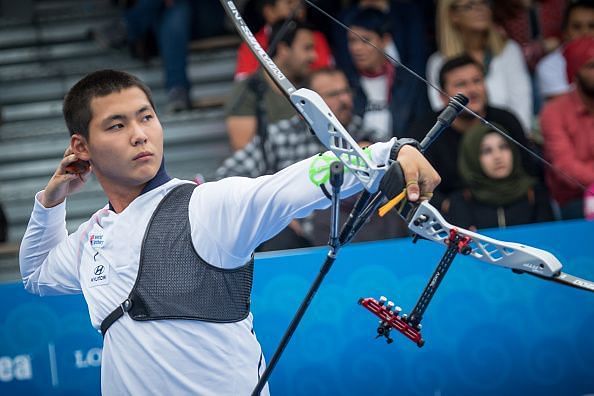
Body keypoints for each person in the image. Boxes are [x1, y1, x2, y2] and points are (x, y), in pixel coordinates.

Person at [18, 69, 440, 394]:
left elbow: (295, 183)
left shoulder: (205, 206)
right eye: (116, 126)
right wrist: (53, 198)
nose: (139, 135)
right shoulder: (94, 234)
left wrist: (391, 152)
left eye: (146, 117)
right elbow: (36, 275)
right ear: (81, 147)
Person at [216, 67, 409, 248]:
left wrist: (374, 157)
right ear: (310, 106)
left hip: (362, 237)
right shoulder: (281, 135)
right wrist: (275, 210)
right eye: (333, 95)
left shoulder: (368, 134)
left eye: (346, 91)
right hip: (303, 242)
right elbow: (228, 175)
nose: (345, 100)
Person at [410, 54, 537, 213]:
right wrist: (448, 207)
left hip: (510, 208)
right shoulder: (426, 130)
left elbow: (529, 172)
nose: (472, 90)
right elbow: (418, 186)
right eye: (461, 84)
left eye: (477, 81)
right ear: (442, 96)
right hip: (453, 219)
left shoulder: (506, 120)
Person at [427, 0, 533, 132]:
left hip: (506, 139)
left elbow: (522, 110)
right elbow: (443, 112)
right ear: (453, 15)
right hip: (458, 144)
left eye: (484, 3)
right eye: (470, 5)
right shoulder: (437, 62)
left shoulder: (509, 51)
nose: (480, 9)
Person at [224, 19, 317, 150]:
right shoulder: (248, 90)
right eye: (307, 48)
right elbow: (242, 148)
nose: (315, 56)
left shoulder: (314, 85)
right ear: (283, 49)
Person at [445, 122, 553, 229]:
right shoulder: (462, 200)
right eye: (486, 151)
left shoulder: (534, 193)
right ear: (472, 158)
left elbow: (549, 239)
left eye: (503, 147)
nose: (498, 156)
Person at [346, 8, 429, 141]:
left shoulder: (410, 82)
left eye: (365, 40)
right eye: (352, 41)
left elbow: (422, 127)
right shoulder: (345, 83)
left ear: (385, 40)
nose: (357, 48)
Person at [540, 36, 594, 219]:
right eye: (591, 67)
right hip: (574, 200)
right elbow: (565, 168)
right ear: (575, 72)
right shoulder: (554, 111)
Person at [233, 0, 333, 81]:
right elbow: (245, 82)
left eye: (300, 4)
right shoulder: (252, 44)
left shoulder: (317, 38)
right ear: (269, 11)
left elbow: (325, 77)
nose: (298, 9)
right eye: (290, 3)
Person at [536, 0, 594, 100]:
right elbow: (565, 111)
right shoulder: (548, 66)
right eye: (577, 27)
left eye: (592, 26)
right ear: (565, 33)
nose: (585, 33)